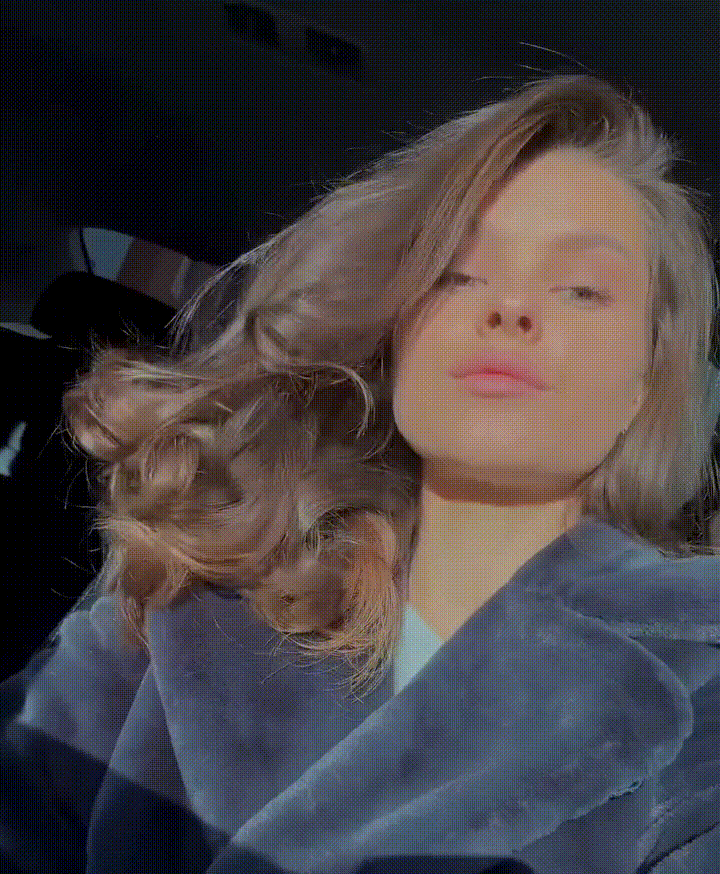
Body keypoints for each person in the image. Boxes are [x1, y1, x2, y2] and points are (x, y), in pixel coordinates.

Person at [1, 73, 719, 873]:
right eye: (458, 272)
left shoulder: (701, 679)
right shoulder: (192, 584)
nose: (511, 307)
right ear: (399, 332)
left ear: (644, 383)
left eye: (582, 289)